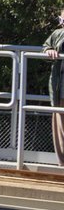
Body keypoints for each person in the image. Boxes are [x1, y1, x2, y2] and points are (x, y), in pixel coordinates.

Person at [44, 9, 64, 165]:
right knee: (59, 124)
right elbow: (46, 45)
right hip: (59, 89)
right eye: (61, 19)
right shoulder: (58, 34)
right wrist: (48, 50)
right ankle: (62, 162)